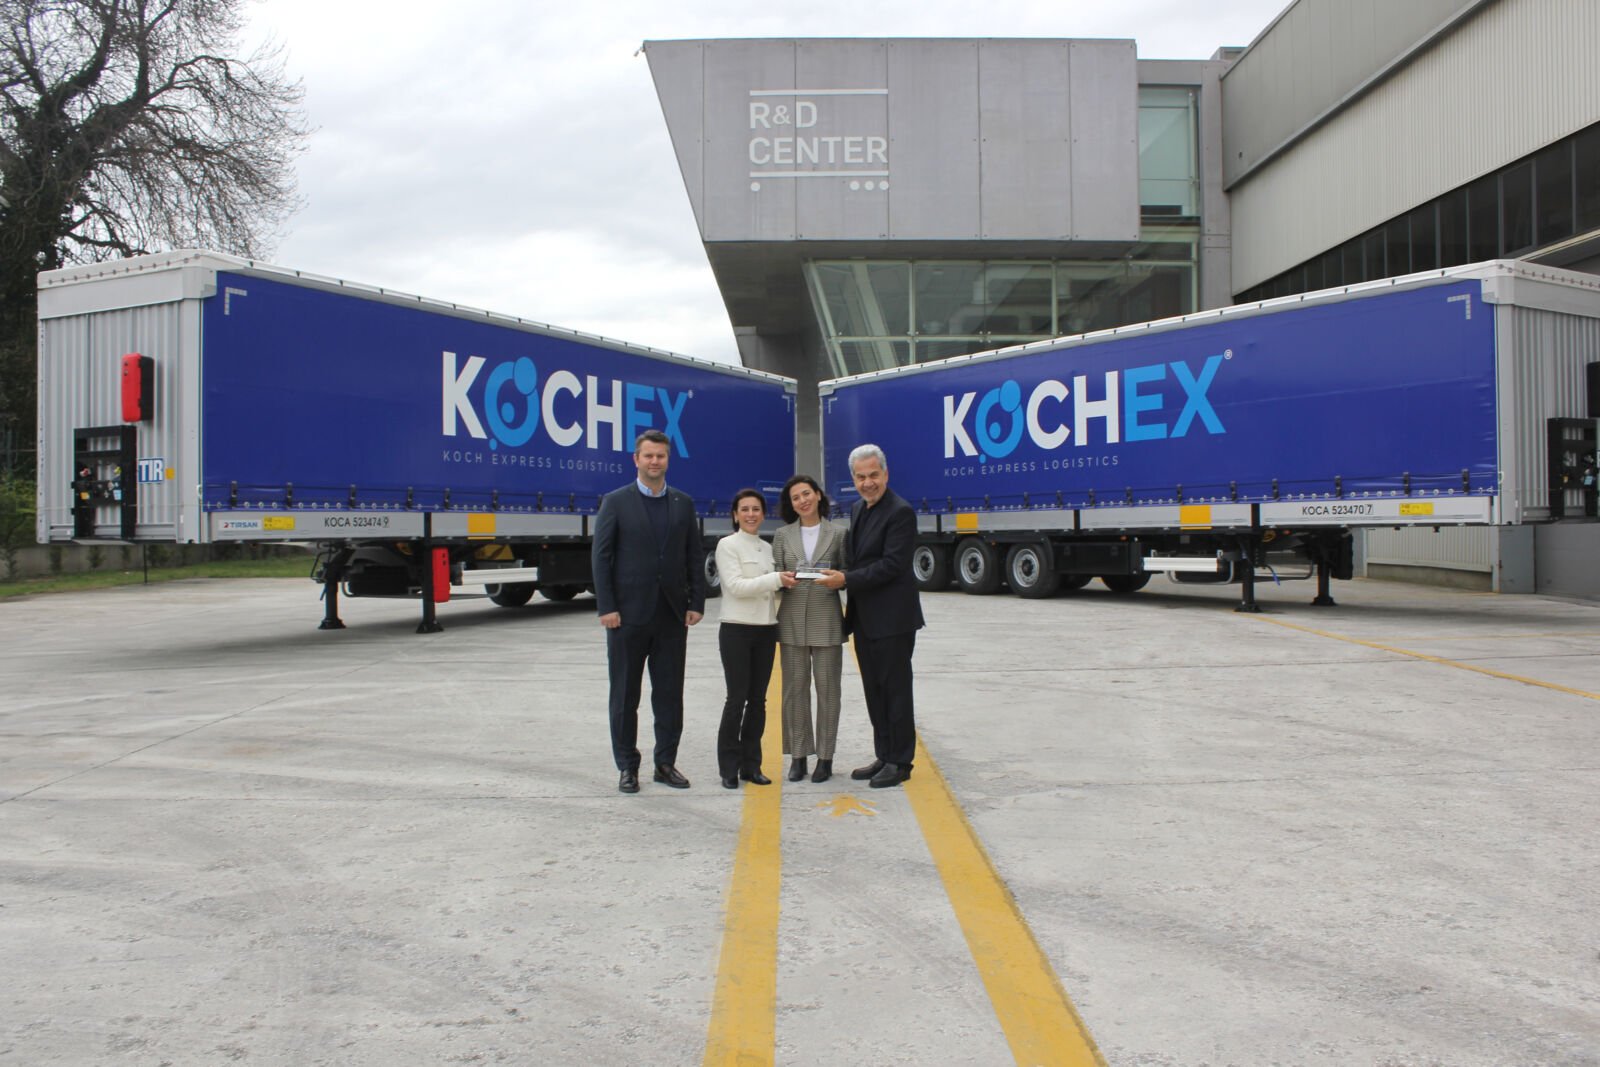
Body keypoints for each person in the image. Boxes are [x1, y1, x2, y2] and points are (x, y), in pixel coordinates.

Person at [592, 429, 707, 794]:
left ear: (668, 459)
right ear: (636, 459)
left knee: (669, 695)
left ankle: (665, 763)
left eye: (660, 456)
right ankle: (627, 766)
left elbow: (693, 555)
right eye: (648, 455)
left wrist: (696, 602)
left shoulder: (683, 503)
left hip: (671, 616)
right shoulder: (615, 502)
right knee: (625, 696)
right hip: (627, 617)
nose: (654, 461)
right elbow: (601, 557)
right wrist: (607, 606)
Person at [817, 444, 924, 789]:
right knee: (875, 691)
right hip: (865, 619)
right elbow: (859, 559)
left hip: (893, 620)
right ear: (854, 479)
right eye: (861, 477)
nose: (868, 483)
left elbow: (892, 565)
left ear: (886, 474)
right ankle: (884, 754)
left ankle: (900, 761)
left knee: (895, 692)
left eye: (873, 475)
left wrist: (845, 579)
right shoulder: (858, 509)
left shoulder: (900, 512)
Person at [714, 488, 797, 789]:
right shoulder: (727, 545)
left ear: (763, 514)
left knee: (758, 701)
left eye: (756, 509)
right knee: (736, 699)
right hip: (737, 629)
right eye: (745, 509)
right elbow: (736, 586)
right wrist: (776, 579)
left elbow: (769, 587)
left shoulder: (767, 548)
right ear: (735, 515)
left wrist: (787, 581)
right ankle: (728, 767)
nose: (751, 514)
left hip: (765, 629)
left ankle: (752, 765)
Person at [771, 474, 848, 784]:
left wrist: (838, 578)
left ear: (818, 495)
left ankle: (826, 758)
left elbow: (847, 572)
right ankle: (799, 756)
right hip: (791, 620)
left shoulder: (839, 533)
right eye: (795, 498)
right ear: (790, 505)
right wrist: (782, 579)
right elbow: (776, 573)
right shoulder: (781, 535)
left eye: (806, 494)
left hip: (826, 619)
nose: (802, 501)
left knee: (829, 691)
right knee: (794, 691)